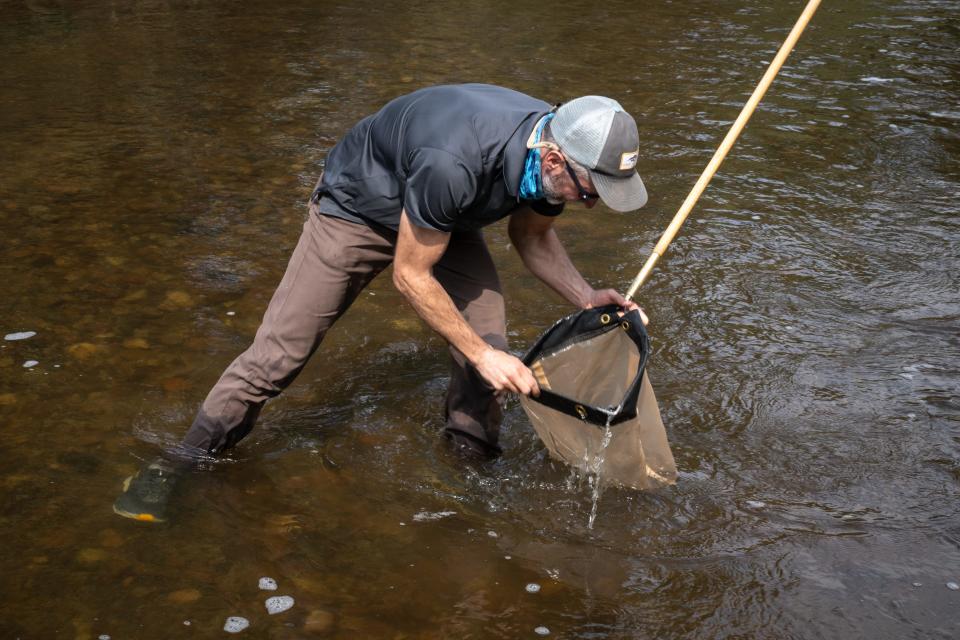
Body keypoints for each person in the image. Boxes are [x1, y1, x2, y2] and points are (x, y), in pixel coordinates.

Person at [113, 83, 649, 522]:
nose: (593, 203)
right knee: (279, 357)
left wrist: (587, 299)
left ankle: (469, 472)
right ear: (554, 158)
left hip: (444, 218)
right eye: (591, 192)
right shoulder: (456, 160)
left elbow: (531, 238)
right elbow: (411, 276)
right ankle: (175, 464)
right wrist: (485, 356)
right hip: (356, 210)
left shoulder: (552, 159)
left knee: (487, 349)